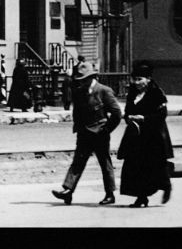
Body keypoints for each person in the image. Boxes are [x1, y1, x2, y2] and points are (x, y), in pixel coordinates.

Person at [51, 61, 122, 206]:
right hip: (84, 133)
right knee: (78, 162)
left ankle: (110, 194)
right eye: (80, 80)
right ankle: (68, 190)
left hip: (100, 133)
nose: (81, 83)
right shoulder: (79, 92)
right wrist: (78, 129)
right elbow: (77, 112)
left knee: (104, 163)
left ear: (91, 78)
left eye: (83, 80)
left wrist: (107, 129)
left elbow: (116, 113)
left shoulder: (104, 91)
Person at [117, 60, 174, 207]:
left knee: (154, 165)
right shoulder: (132, 93)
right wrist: (128, 117)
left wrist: (145, 118)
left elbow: (162, 115)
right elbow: (127, 111)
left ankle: (166, 186)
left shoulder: (156, 93)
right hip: (136, 136)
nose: (136, 82)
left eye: (140, 79)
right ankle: (141, 197)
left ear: (148, 79)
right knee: (135, 166)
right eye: (134, 79)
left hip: (153, 135)